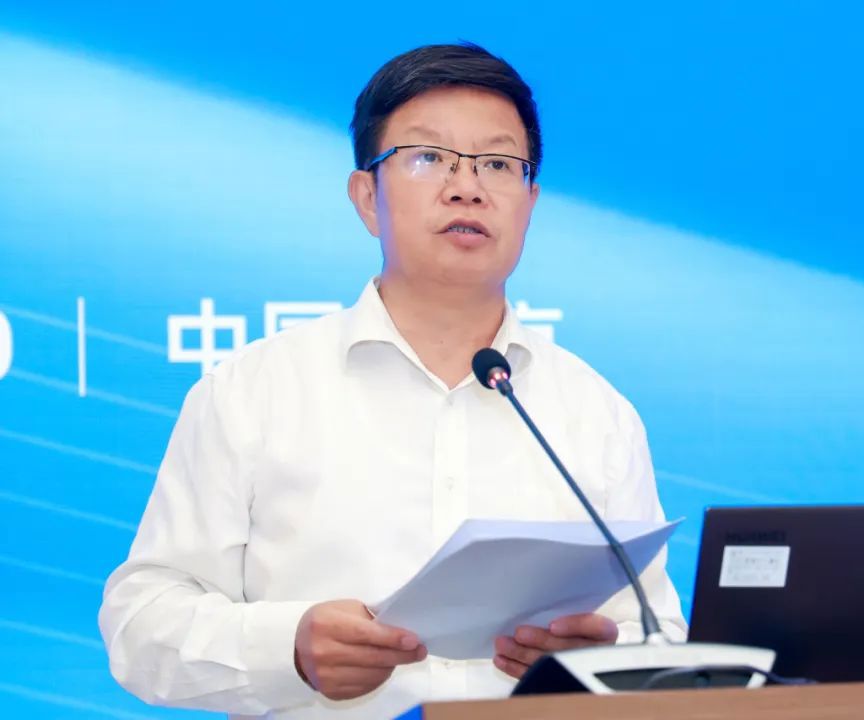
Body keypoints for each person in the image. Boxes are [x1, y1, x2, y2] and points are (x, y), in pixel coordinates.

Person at [99, 42, 686, 719]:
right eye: (428, 157)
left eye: (498, 163)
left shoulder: (595, 413)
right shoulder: (253, 391)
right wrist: (289, 650)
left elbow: (660, 636)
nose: (467, 187)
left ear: (530, 200)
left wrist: (599, 662)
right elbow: (141, 623)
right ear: (366, 197)